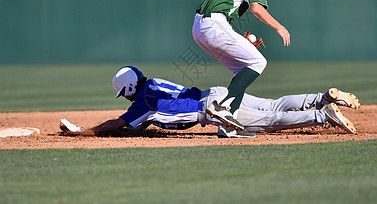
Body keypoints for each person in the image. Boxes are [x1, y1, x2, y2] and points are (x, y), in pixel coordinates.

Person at [60, 66, 360, 138]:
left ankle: (324, 115)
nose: (124, 98)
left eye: (123, 93)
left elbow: (120, 124)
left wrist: (83, 132)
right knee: (273, 104)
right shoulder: (152, 84)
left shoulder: (143, 101)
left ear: (127, 88)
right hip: (214, 93)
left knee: (268, 122)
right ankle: (321, 98)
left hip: (213, 110)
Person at [192, 0, 291, 131]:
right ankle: (219, 105)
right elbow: (256, 8)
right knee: (258, 61)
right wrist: (279, 27)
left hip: (200, 26)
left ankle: (229, 127)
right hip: (215, 24)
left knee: (242, 68)